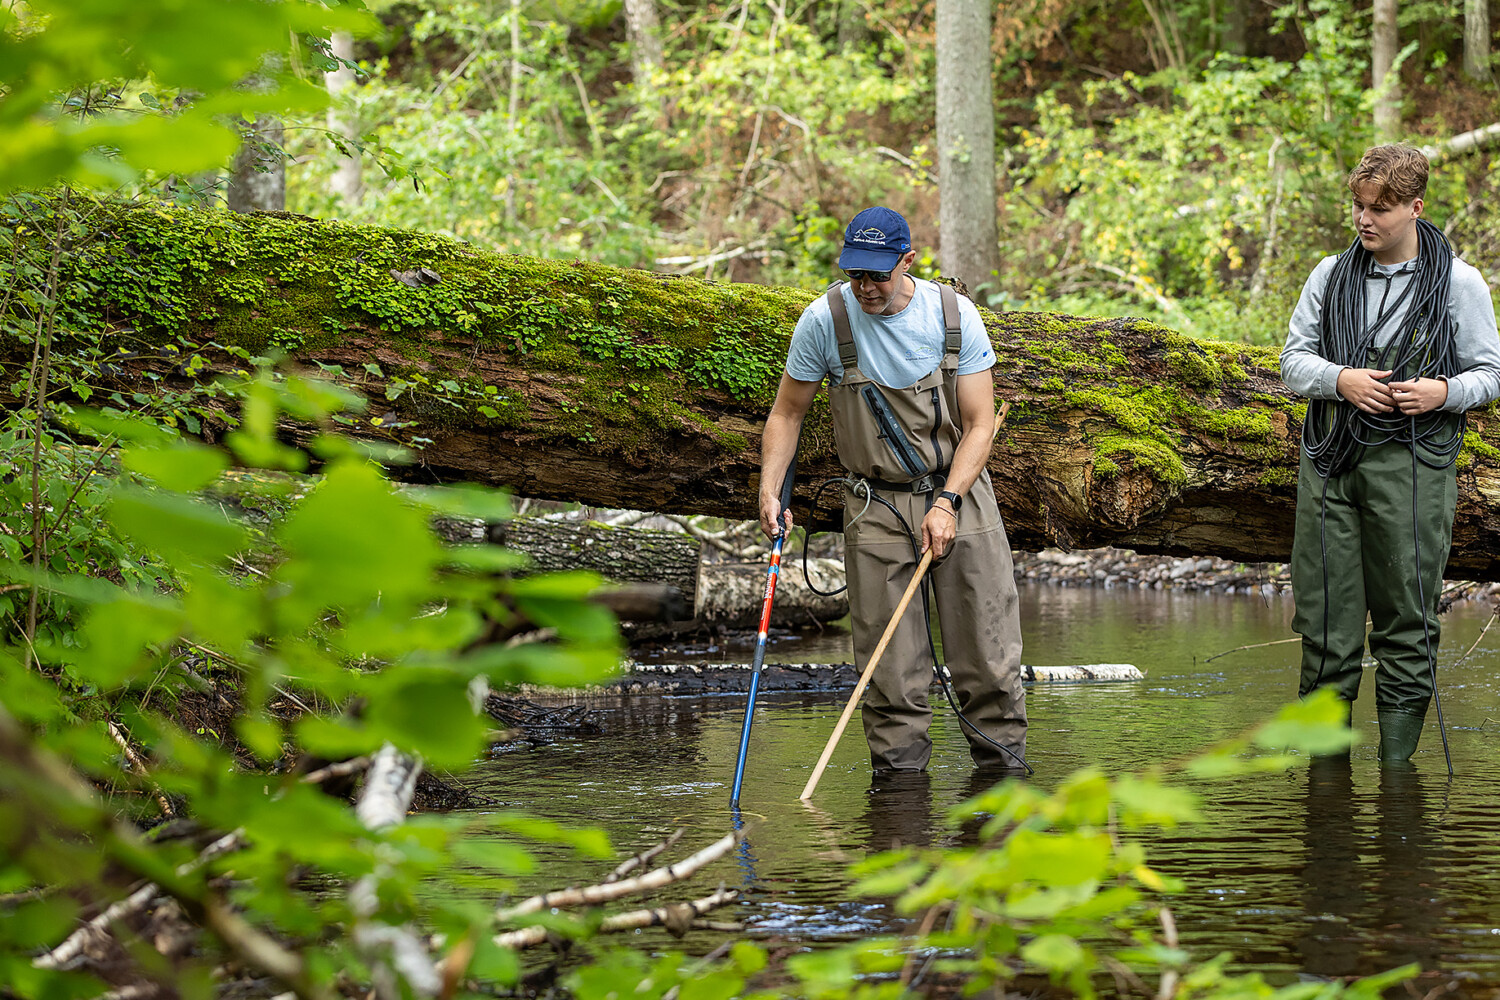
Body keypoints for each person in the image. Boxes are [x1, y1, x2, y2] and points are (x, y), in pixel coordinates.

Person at [758, 206, 1027, 773]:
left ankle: (1002, 795)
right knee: (890, 675)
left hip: (961, 494)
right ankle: (901, 813)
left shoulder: (953, 317)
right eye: (856, 274)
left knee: (988, 659)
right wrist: (770, 488)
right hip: (873, 506)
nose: (865, 287)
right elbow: (787, 413)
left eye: (877, 275)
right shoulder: (823, 321)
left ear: (907, 262)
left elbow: (981, 425)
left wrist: (948, 503)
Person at [1280, 143, 1500, 763]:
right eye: (1357, 204)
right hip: (1329, 463)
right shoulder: (1329, 274)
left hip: (1415, 464)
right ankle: (1326, 790)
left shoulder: (1459, 282)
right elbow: (1293, 360)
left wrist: (1445, 392)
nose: (1363, 219)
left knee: (1407, 623)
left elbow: (1492, 371)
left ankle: (1398, 780)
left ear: (1415, 207)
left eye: (1380, 208)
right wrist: (1341, 379)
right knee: (1325, 628)